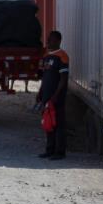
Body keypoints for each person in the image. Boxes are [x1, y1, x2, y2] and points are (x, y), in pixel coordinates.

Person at [36, 31, 69, 160]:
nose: (48, 42)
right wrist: (40, 92)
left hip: (57, 97)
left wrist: (56, 95)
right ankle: (49, 150)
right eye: (48, 39)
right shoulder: (46, 56)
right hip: (46, 95)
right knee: (48, 122)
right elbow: (44, 77)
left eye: (51, 40)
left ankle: (60, 152)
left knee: (58, 124)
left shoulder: (62, 56)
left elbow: (63, 79)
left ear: (58, 41)